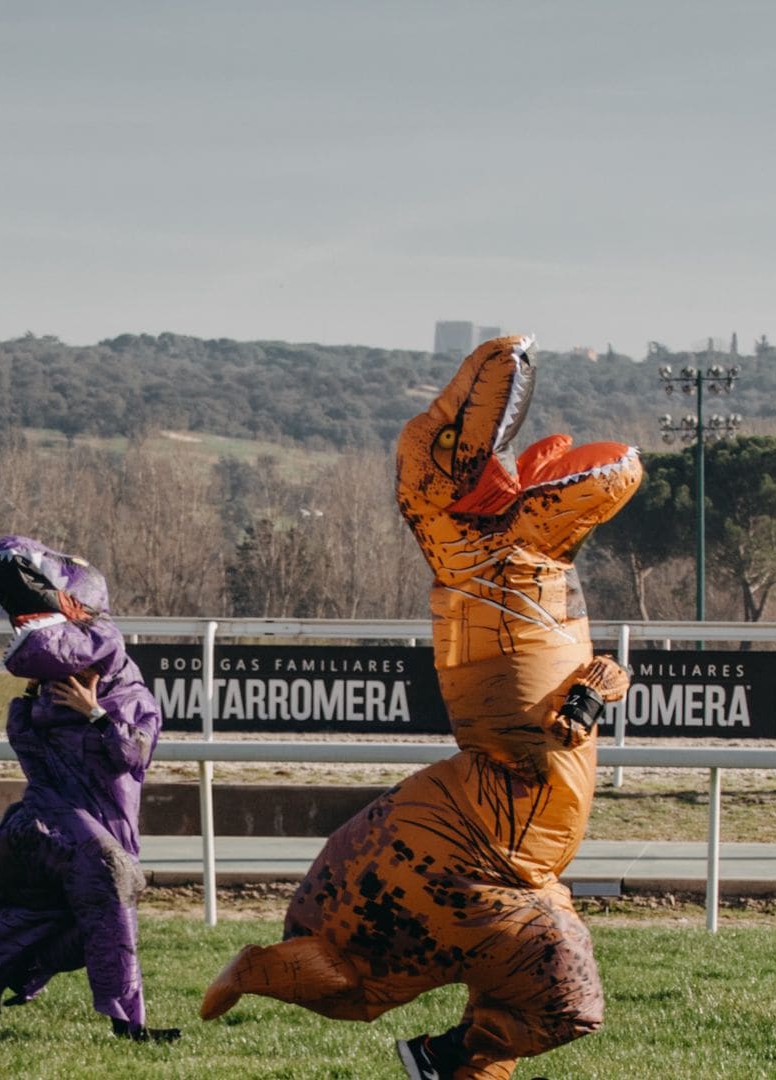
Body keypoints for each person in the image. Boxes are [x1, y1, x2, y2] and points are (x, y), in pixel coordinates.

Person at [200, 336, 640, 1080]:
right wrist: (585, 699)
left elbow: (581, 683)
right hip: (479, 847)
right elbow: (522, 711)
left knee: (519, 992)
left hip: (516, 848)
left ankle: (449, 1059)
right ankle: (430, 1054)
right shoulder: (479, 561)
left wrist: (596, 689)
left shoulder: (532, 571)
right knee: (560, 995)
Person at [0, 535, 178, 1042]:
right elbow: (38, 758)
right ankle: (129, 1027)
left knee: (85, 918)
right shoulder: (40, 701)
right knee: (111, 878)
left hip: (86, 828)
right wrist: (64, 711)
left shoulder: (130, 693)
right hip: (45, 828)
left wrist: (94, 714)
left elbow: (133, 756)